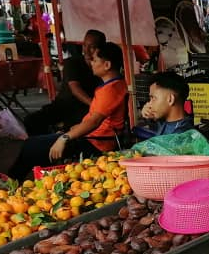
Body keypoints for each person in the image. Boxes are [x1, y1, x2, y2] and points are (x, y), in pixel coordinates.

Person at [11, 41, 128, 179]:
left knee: (31, 146)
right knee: (37, 147)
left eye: (95, 60)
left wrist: (65, 138)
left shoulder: (111, 90)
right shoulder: (115, 84)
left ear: (107, 65)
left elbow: (94, 122)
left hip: (96, 143)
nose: (91, 63)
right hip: (92, 138)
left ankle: (11, 181)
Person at [23, 30, 105, 136]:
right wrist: (94, 104)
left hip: (86, 110)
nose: (87, 51)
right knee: (31, 121)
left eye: (92, 47)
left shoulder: (103, 67)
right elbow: (75, 89)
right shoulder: (72, 63)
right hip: (66, 104)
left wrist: (97, 107)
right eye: (85, 45)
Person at [132, 72, 195, 141]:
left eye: (153, 98)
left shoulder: (181, 136)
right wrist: (151, 117)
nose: (149, 104)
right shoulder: (167, 122)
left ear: (170, 99)